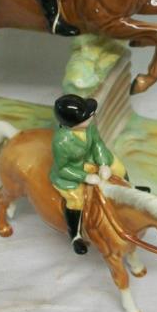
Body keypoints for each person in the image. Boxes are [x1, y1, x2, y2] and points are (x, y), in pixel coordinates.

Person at [50, 94, 127, 254]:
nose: (92, 116)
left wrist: (103, 163)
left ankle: (131, 191)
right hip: (72, 172)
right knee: (76, 200)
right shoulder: (61, 141)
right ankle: (75, 235)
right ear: (73, 123)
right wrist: (84, 176)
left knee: (118, 167)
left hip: (91, 158)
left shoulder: (89, 126)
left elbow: (97, 143)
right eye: (86, 117)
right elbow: (62, 168)